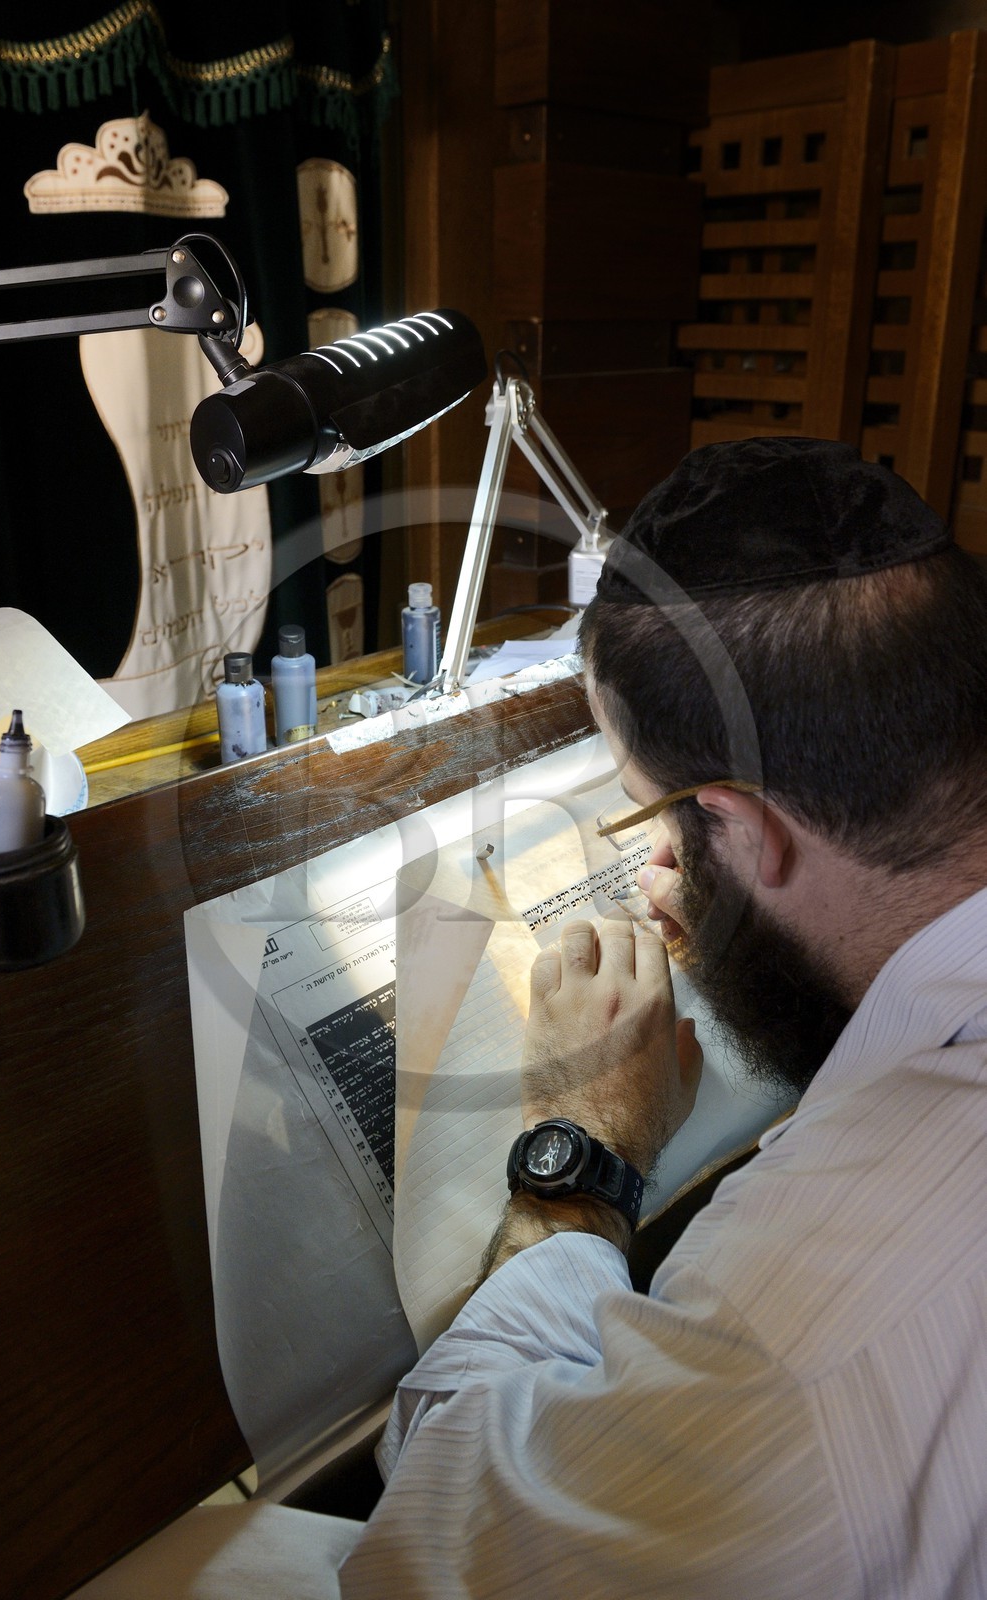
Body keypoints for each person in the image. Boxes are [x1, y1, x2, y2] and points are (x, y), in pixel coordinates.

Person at [338, 436, 987, 1598]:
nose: (651, 870)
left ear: (744, 829)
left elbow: (432, 1547)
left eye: (651, 815)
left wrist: (581, 1149)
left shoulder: (811, 1327)